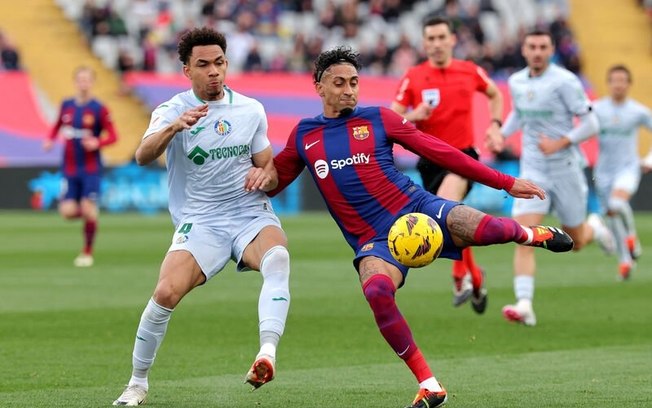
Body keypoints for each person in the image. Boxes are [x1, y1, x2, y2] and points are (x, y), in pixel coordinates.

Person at [269, 46, 573, 408]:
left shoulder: (379, 118)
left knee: (484, 229)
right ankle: (429, 383)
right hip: (372, 239)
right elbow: (273, 181)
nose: (349, 90)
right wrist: (252, 171)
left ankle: (531, 234)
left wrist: (505, 182)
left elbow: (440, 152)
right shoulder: (305, 135)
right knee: (377, 293)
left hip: (416, 207)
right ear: (319, 86)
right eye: (339, 83)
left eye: (354, 82)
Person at [112, 27, 291, 406]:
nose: (214, 71)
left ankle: (266, 354)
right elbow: (142, 155)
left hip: (247, 212)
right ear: (187, 70)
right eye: (203, 65)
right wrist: (174, 127)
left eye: (219, 63)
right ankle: (137, 383)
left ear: (227, 63)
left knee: (278, 258)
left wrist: (265, 175)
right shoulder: (171, 110)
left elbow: (269, 170)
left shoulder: (250, 110)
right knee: (164, 293)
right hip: (202, 220)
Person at [490, 30, 615, 326]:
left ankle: (594, 229)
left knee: (576, 240)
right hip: (533, 170)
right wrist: (500, 134)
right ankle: (524, 303)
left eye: (542, 47)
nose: (537, 52)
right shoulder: (517, 81)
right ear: (523, 49)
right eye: (532, 46)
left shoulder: (565, 82)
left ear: (551, 50)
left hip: (566, 168)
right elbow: (519, 115)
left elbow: (591, 123)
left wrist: (560, 143)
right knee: (523, 234)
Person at [390, 16, 504, 314]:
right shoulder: (413, 76)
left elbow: (495, 94)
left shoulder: (469, 71)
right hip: (429, 161)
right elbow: (393, 117)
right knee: (449, 219)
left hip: (463, 156)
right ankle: (475, 277)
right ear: (424, 42)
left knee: (446, 205)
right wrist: (415, 115)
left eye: (442, 37)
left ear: (453, 39)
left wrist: (494, 125)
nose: (437, 44)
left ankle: (459, 278)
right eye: (431, 38)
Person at [43, 66, 118, 267]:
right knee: (67, 212)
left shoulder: (98, 109)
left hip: (90, 168)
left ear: (92, 83)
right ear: (75, 82)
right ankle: (91, 215)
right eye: (80, 80)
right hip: (69, 167)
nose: (83, 83)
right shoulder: (67, 104)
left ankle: (87, 251)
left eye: (87, 80)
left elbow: (113, 136)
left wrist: (97, 142)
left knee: (87, 206)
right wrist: (50, 139)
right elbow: (58, 124)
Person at [593, 64, 652, 280]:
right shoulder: (597, 109)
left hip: (628, 168)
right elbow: (579, 130)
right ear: (609, 84)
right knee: (612, 217)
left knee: (618, 204)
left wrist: (649, 159)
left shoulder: (638, 111)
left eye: (622, 80)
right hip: (603, 171)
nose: (618, 84)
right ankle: (625, 261)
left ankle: (633, 238)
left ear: (629, 84)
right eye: (614, 80)